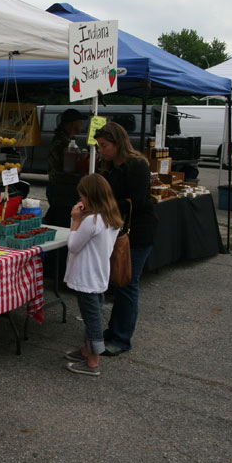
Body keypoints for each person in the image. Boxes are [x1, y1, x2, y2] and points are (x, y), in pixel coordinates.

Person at [94, 122, 157, 356]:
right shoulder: (108, 166)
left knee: (128, 283)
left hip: (138, 232)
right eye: (99, 146)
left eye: (105, 146)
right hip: (117, 230)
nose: (101, 150)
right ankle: (115, 329)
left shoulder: (137, 165)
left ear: (118, 144)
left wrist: (102, 206)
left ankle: (122, 339)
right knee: (118, 283)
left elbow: (137, 201)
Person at [62, 173, 123, 376]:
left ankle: (93, 361)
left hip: (86, 276)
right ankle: (87, 350)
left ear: (92, 197)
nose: (81, 201)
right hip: (98, 274)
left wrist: (75, 221)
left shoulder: (91, 221)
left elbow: (73, 245)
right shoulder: (111, 217)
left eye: (83, 197)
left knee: (92, 318)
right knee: (93, 313)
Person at [44, 108, 87, 227]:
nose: (82, 125)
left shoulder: (67, 139)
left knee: (55, 218)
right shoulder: (62, 141)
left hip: (63, 188)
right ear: (73, 123)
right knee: (59, 221)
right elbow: (70, 166)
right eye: (80, 122)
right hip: (60, 188)